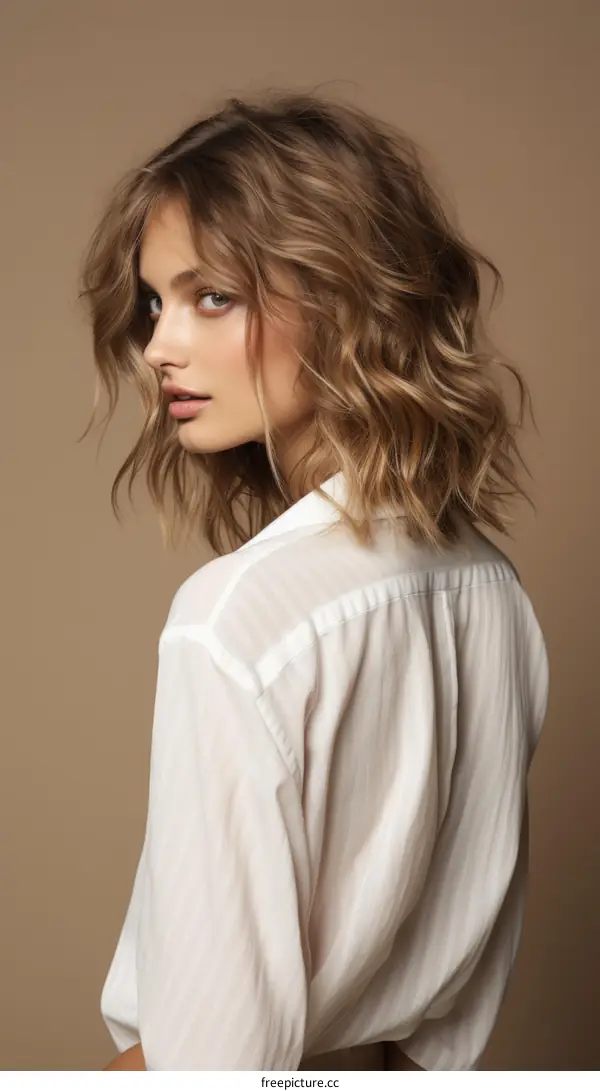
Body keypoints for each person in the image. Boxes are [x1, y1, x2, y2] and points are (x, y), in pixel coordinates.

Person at [77, 88, 549, 1072]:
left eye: (214, 296)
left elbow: (211, 1060)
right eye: (154, 301)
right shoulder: (489, 586)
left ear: (347, 296)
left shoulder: (233, 620)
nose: (160, 344)